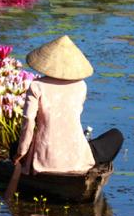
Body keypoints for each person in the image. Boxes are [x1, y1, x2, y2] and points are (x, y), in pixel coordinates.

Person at [15, 36, 123, 174]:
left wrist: (21, 153)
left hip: (44, 159)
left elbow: (29, 120)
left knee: (15, 145)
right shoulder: (81, 86)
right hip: (77, 158)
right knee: (116, 135)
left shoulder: (37, 86)